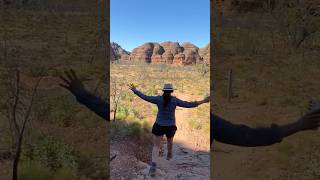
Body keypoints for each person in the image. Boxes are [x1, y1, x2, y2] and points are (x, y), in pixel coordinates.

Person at [128, 83, 209, 176]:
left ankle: (153, 165)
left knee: (156, 146)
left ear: (163, 91)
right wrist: (203, 101)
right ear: (171, 91)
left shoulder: (158, 99)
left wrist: (135, 91)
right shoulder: (174, 100)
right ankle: (169, 154)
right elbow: (188, 104)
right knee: (170, 142)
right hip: (170, 126)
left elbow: (145, 97)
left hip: (159, 125)